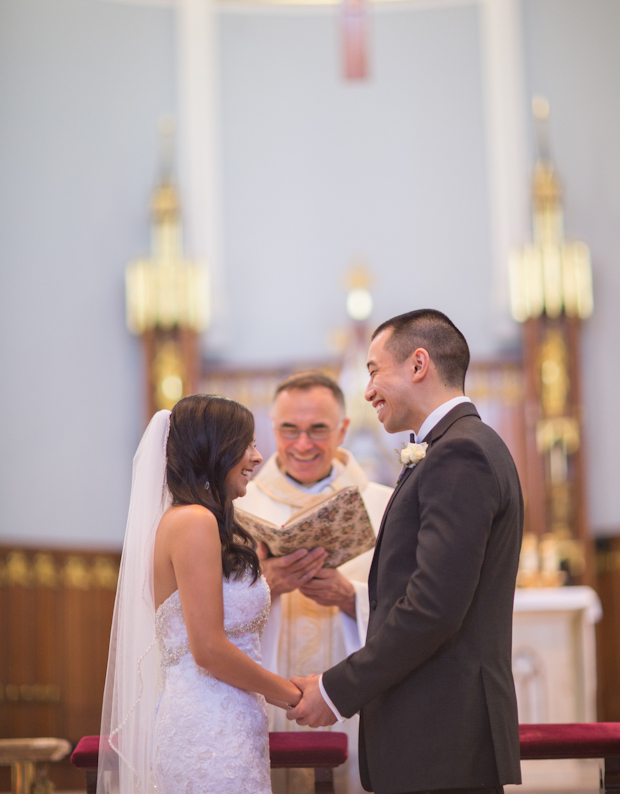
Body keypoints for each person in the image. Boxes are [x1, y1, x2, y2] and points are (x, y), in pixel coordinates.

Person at [288, 310, 524, 794]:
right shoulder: (453, 446)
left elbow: (433, 609)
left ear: (419, 364)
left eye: (374, 370)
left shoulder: (460, 454)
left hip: (441, 734)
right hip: (440, 732)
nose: (368, 388)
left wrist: (335, 691)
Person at [98, 395, 302, 794]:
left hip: (231, 720)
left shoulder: (199, 521)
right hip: (209, 729)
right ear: (213, 448)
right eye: (246, 444)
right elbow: (207, 648)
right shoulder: (193, 521)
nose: (257, 457)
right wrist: (293, 696)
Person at [235, 371, 392, 794]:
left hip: (353, 692)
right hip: (265, 687)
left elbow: (412, 607)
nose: (302, 444)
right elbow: (199, 611)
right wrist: (261, 585)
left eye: (318, 429)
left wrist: (350, 598)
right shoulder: (237, 504)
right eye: (289, 429)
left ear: (343, 429)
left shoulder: (384, 504)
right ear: (272, 427)